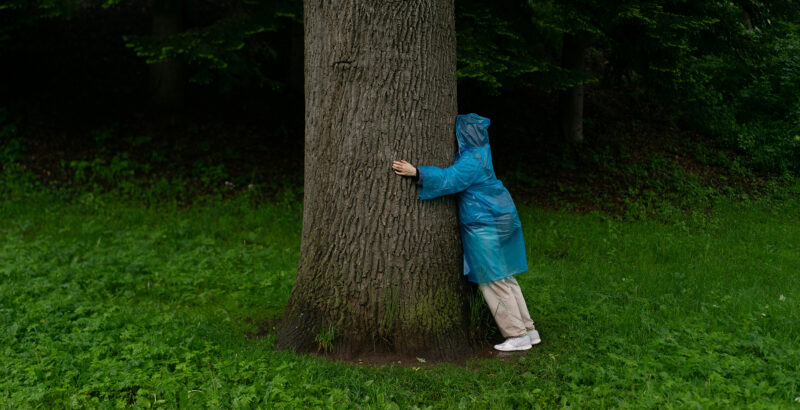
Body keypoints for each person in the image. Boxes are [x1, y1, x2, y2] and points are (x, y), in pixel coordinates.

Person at [392, 113, 541, 352]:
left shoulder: (472, 159)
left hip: (484, 223)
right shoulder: (482, 154)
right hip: (497, 218)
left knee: (491, 279)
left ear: (464, 135)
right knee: (505, 277)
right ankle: (529, 331)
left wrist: (418, 173)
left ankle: (517, 334)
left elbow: (451, 179)